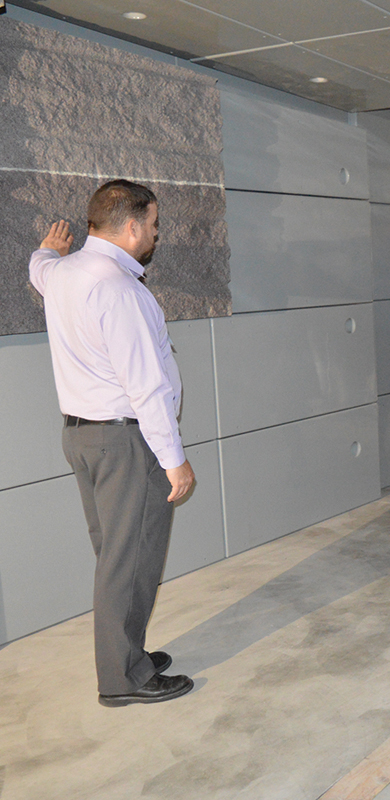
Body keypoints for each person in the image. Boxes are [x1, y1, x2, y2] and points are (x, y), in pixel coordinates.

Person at [29, 180, 196, 706]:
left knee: (116, 557)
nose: (155, 233)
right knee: (131, 560)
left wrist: (45, 250)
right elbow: (146, 384)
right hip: (125, 443)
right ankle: (124, 677)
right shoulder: (120, 290)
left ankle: (128, 655)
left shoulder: (63, 273)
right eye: (152, 224)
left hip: (83, 438)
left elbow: (39, 269)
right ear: (130, 226)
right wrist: (174, 460)